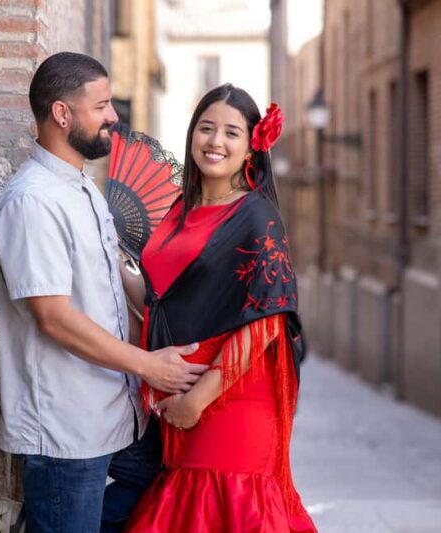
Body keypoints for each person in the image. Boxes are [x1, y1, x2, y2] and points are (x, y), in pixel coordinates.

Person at [0, 52, 208, 533]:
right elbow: (54, 317)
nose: (114, 116)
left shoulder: (84, 191)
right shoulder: (32, 200)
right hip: (67, 427)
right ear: (62, 115)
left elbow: (111, 290)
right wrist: (150, 366)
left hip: (116, 409)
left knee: (169, 480)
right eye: (102, 105)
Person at [123, 84, 317, 532]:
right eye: (206, 128)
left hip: (234, 396)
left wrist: (198, 399)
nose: (215, 142)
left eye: (231, 132)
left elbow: (267, 318)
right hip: (177, 389)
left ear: (252, 146)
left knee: (224, 509)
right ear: (192, 135)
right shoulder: (178, 210)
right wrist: (107, 261)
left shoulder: (255, 215)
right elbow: (158, 299)